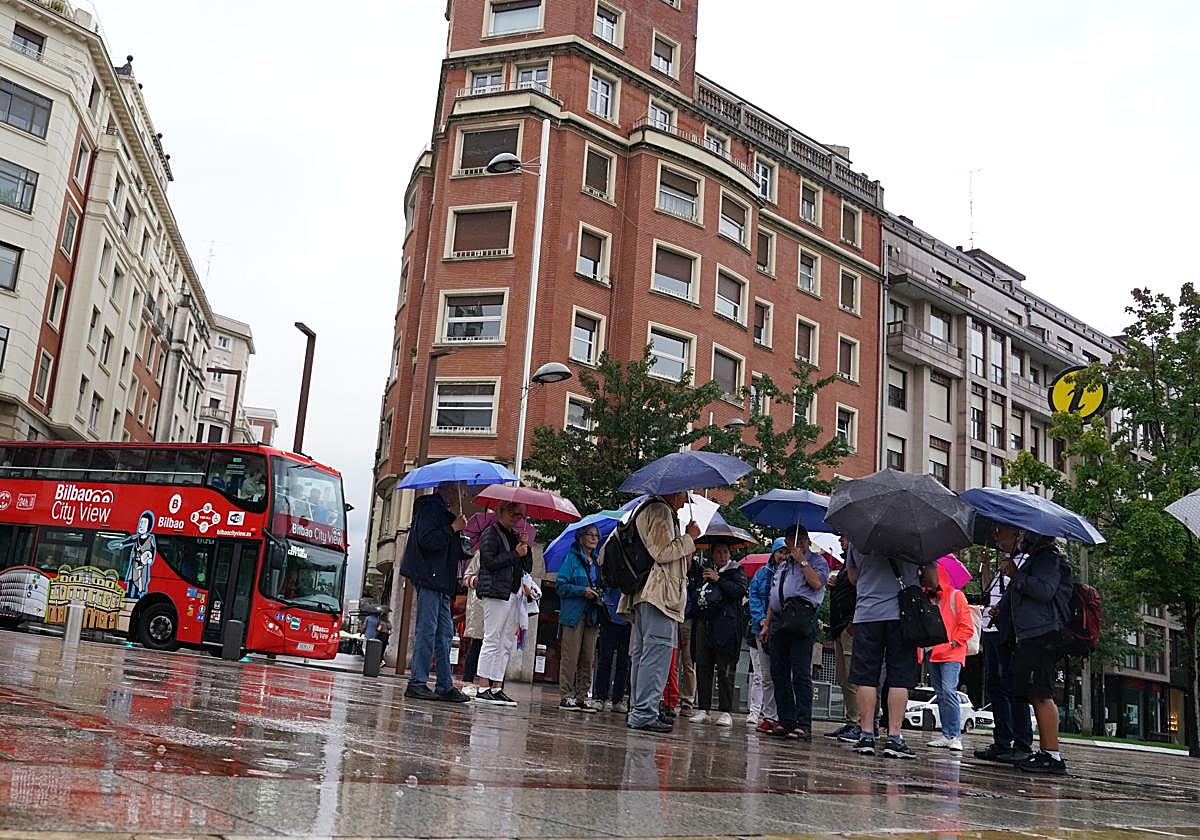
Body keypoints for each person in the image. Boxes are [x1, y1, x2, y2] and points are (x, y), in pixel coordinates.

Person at [617, 491, 700, 733]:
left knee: (643, 654)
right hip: (659, 595)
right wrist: (689, 538)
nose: (685, 502)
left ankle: (639, 709)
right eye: (685, 496)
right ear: (674, 492)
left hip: (645, 593)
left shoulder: (645, 509)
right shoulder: (660, 511)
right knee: (656, 654)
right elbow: (662, 553)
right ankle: (644, 712)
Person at [846, 544, 938, 759]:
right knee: (899, 677)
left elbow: (852, 577)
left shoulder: (859, 537)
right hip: (902, 616)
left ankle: (866, 735)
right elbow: (933, 581)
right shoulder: (916, 538)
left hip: (867, 613)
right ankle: (894, 738)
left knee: (866, 677)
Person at [994, 523, 1073, 775]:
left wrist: (1016, 575)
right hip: (1032, 634)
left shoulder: (1048, 558)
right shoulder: (1037, 559)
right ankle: (1047, 752)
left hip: (1043, 634)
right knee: (1035, 692)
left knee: (1041, 693)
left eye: (1025, 532)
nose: (1022, 537)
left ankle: (1052, 755)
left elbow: (1044, 590)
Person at [400, 481, 471, 703]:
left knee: (444, 633)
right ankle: (418, 681)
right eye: (461, 489)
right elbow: (428, 540)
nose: (464, 493)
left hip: (441, 580)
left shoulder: (442, 512)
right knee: (428, 630)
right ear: (449, 489)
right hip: (431, 577)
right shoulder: (430, 507)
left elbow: (448, 547)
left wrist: (458, 533)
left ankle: (444, 684)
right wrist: (453, 528)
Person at [759, 525, 828, 741]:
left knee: (800, 672)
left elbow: (817, 583)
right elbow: (774, 594)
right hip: (780, 618)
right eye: (791, 539)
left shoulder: (817, 561)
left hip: (801, 616)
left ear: (807, 540)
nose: (796, 543)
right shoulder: (784, 564)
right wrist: (767, 623)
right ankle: (785, 720)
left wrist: (803, 561)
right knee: (779, 672)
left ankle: (803, 723)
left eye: (800, 539)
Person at [974, 548, 1034, 764]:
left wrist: (1013, 571)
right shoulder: (1004, 562)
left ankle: (1022, 742)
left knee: (1012, 685)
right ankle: (1002, 741)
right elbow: (989, 591)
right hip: (990, 628)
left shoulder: (1025, 561)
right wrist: (987, 566)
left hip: (1007, 630)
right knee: (995, 685)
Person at [474, 501, 532, 707]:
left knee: (506, 641)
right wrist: (515, 553)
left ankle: (497, 685)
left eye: (520, 515)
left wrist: (525, 549)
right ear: (501, 512)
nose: (517, 518)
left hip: (514, 593)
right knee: (492, 638)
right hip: (497, 592)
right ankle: (482, 684)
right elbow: (489, 562)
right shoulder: (491, 533)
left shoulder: (514, 536)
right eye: (513, 513)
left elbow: (527, 566)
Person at [689, 544, 749, 727]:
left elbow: (738, 591)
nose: (721, 555)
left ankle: (725, 711)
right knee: (703, 667)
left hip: (726, 628)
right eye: (718, 552)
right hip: (704, 625)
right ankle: (703, 708)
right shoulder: (704, 572)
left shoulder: (737, 571)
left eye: (725, 552)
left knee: (725, 670)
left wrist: (719, 579)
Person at [926, 563, 975, 751]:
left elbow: (967, 626)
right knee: (941, 694)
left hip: (951, 653)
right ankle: (948, 734)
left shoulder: (956, 596)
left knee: (948, 691)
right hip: (933, 652)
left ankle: (954, 735)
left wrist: (954, 642)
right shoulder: (930, 599)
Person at [556, 524, 604, 712]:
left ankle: (583, 696)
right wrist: (581, 591)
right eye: (589, 534)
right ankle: (566, 695)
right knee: (570, 656)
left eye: (596, 535)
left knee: (587, 656)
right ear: (580, 537)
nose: (593, 538)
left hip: (591, 614)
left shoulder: (596, 563)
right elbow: (561, 585)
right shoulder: (571, 559)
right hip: (574, 614)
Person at [824, 534, 861, 742]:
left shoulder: (857, 562)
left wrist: (852, 623)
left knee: (851, 676)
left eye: (844, 538)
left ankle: (858, 723)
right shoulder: (846, 563)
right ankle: (850, 721)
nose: (840, 541)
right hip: (839, 626)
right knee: (842, 677)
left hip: (849, 627)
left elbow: (859, 591)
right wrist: (834, 585)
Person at [747, 538, 785, 732]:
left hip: (782, 628)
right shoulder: (762, 573)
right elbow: (754, 596)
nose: (782, 556)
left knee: (782, 674)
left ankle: (782, 716)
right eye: (780, 552)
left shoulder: (790, 574)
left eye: (786, 552)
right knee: (765, 675)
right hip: (761, 628)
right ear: (773, 553)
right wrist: (761, 619)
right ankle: (769, 715)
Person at [594, 584, 631, 713]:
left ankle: (618, 699)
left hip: (628, 618)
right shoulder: (611, 567)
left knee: (624, 662)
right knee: (605, 659)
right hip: (610, 615)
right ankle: (600, 697)